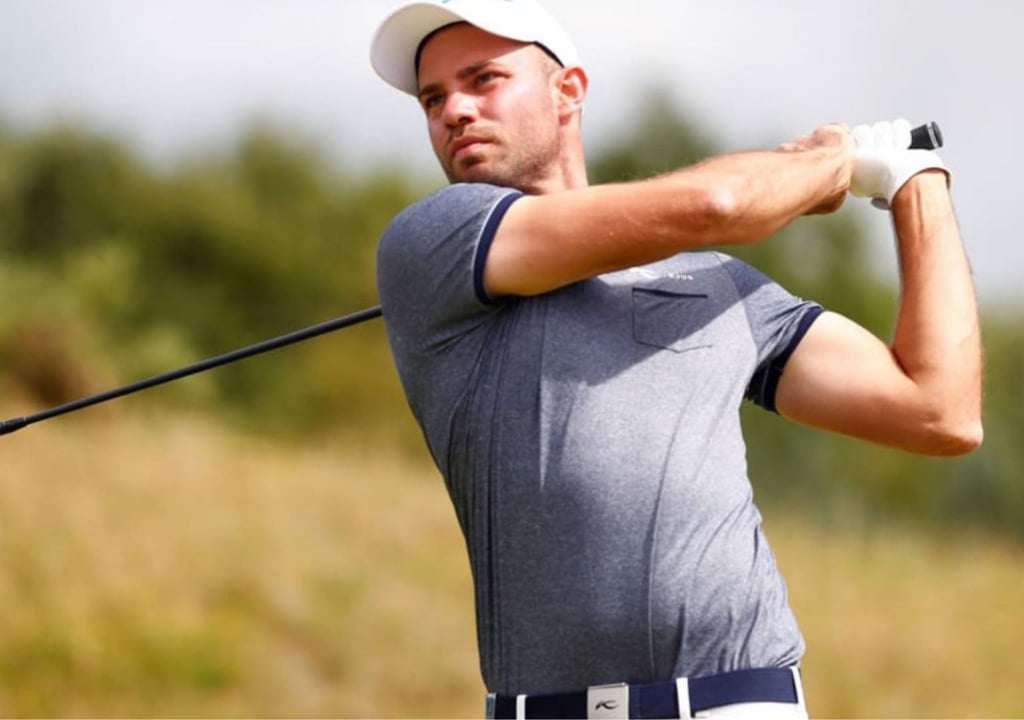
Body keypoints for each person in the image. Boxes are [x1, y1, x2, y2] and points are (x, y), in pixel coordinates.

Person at [368, 1, 983, 718]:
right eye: (434, 97)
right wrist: (830, 162)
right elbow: (719, 200)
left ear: (567, 91)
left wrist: (919, 182)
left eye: (484, 79)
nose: (455, 111)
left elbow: (942, 412)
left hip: (739, 700)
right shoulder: (433, 242)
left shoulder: (717, 285)